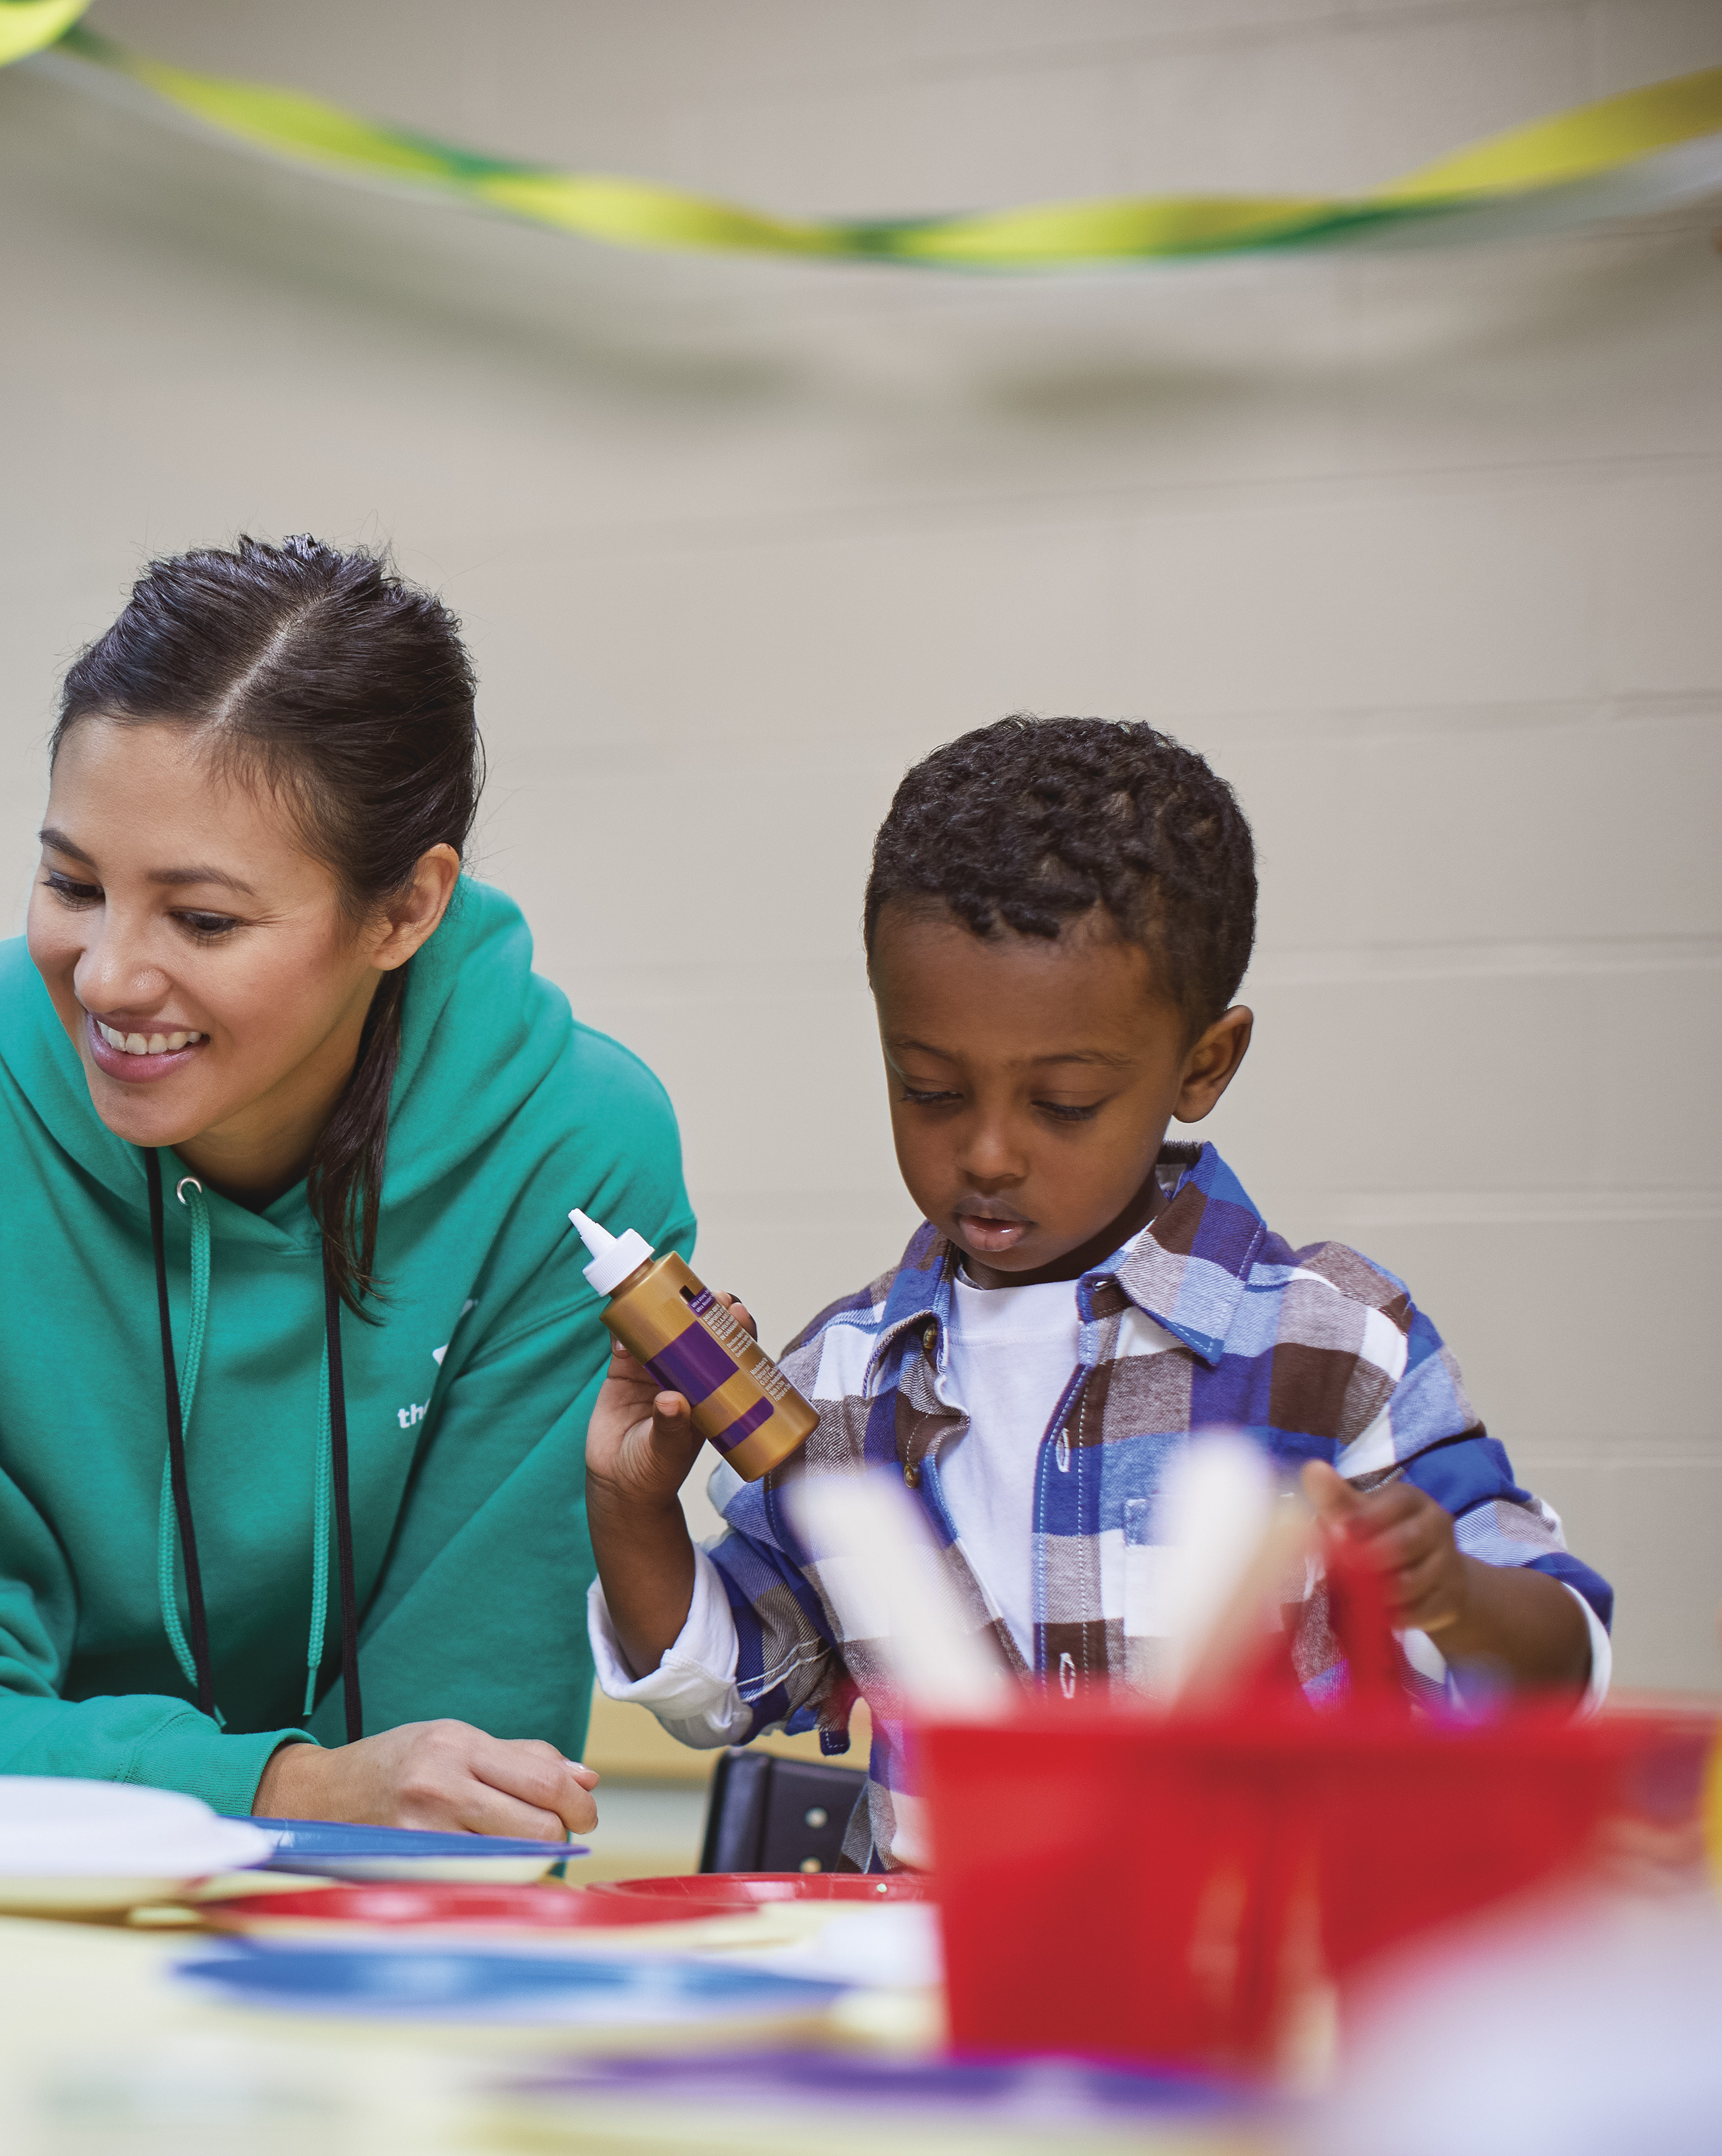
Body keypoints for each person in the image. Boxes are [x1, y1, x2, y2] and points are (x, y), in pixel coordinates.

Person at [0, 536, 694, 1836]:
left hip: (364, 1969)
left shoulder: (569, 1157)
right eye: (73, 884)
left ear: (405, 910)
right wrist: (281, 1787)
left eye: (205, 920)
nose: (110, 976)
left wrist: (349, 1806)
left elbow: (463, 1791)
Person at [586, 715, 1612, 1868]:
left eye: (1063, 1103)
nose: (985, 1153)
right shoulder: (840, 1384)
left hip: (1262, 1982)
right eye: (927, 1089)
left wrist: (1454, 1595)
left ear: (1202, 1065)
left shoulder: (1333, 1344)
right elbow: (737, 1684)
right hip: (946, 1992)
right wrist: (632, 1508)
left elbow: (1559, 1658)